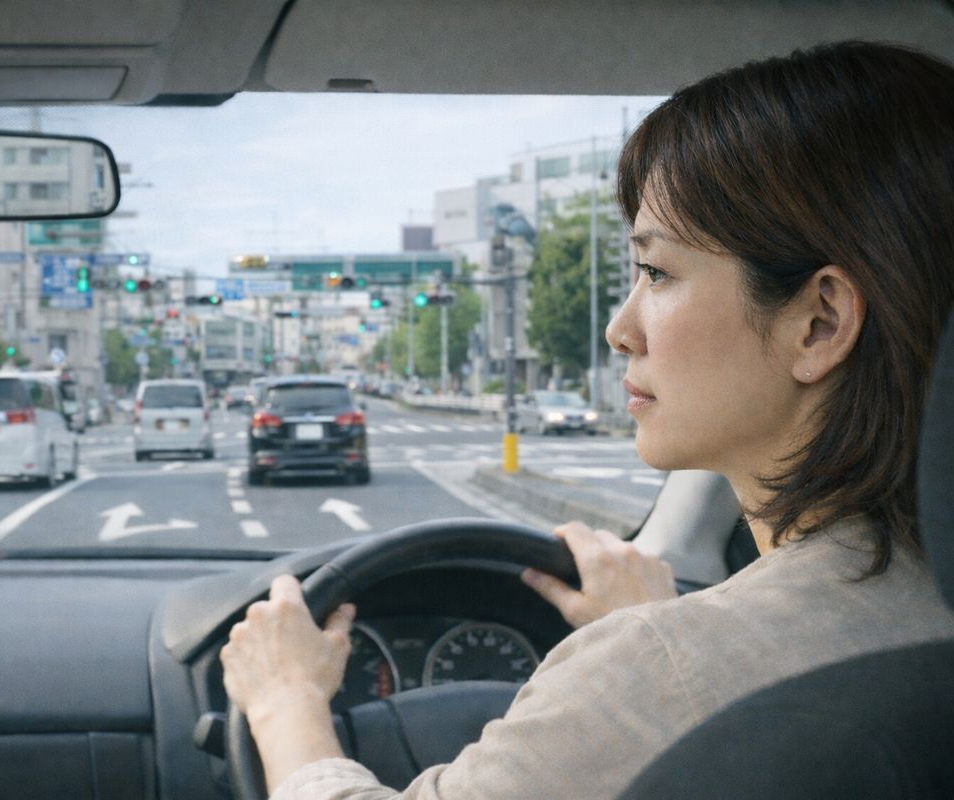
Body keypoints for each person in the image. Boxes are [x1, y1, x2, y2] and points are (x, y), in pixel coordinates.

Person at [220, 41, 954, 800]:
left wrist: (285, 704)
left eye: (657, 272)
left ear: (819, 323)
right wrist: (659, 628)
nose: (620, 328)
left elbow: (692, 676)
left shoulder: (653, 673)